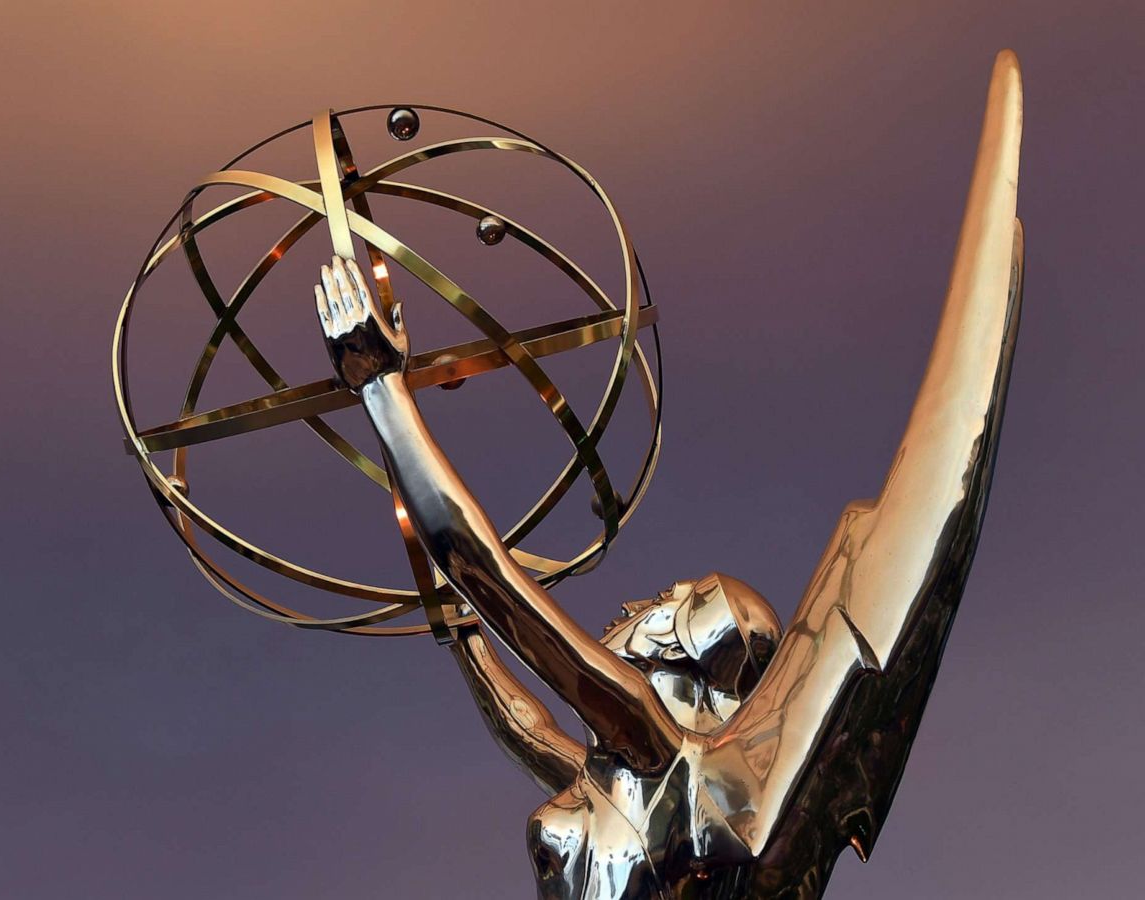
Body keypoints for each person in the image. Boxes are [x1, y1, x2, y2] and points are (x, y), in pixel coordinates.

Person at [311, 65, 1022, 889]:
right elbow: (516, 714)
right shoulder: (625, 775)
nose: (634, 603)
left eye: (665, 605)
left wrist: (381, 393)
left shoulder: (661, 754)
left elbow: (500, 589)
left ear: (683, 659)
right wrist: (445, 598)